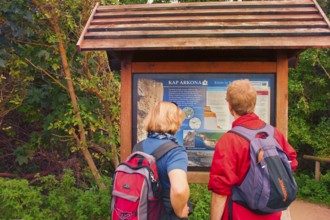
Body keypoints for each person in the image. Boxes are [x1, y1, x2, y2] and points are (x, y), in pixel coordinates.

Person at [208, 79, 298, 220]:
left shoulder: (229, 141)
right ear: (254, 103)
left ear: (229, 106)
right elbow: (291, 162)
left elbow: (220, 191)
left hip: (239, 213)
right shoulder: (273, 133)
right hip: (272, 213)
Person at [139, 101, 191, 219]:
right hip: (165, 212)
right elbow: (179, 189)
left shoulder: (138, 147)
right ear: (174, 122)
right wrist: (180, 212)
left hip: (142, 210)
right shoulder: (175, 152)